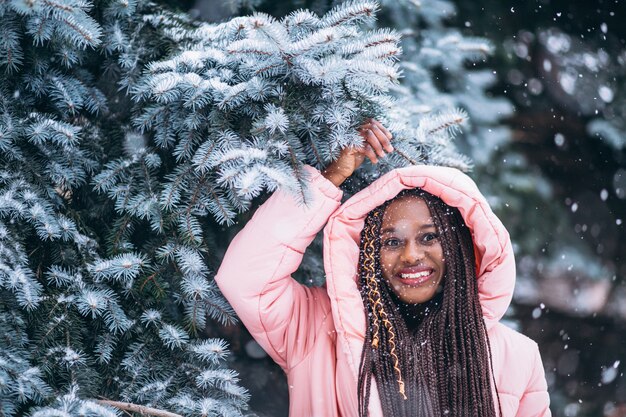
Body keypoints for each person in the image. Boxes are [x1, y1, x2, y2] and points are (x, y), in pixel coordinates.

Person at [215, 120, 551, 417]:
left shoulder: (518, 358)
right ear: (370, 253)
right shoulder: (317, 328)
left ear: (459, 247)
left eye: (429, 237)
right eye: (391, 242)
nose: (410, 255)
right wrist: (332, 178)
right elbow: (245, 276)